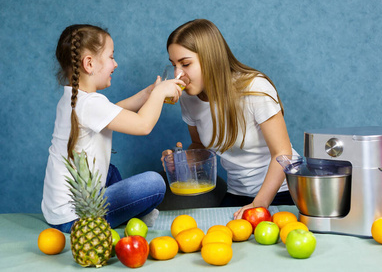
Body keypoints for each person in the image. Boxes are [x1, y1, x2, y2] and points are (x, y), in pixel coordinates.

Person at [42, 24, 185, 233]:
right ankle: (133, 214)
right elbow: (143, 125)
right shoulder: (90, 104)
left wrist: (148, 93)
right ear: (89, 63)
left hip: (57, 212)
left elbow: (115, 112)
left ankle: (130, 213)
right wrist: (159, 94)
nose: (115, 64)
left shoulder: (74, 99)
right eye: (111, 57)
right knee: (154, 183)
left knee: (110, 171)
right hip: (77, 217)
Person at [163, 19, 298, 219]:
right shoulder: (188, 98)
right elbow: (200, 145)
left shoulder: (255, 88)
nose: (178, 74)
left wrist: (259, 205)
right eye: (173, 65)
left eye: (185, 64)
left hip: (282, 191)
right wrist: (181, 160)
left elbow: (282, 153)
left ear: (211, 58)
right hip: (237, 193)